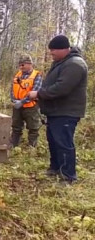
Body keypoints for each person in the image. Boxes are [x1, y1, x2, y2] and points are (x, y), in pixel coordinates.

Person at [27, 35, 88, 184]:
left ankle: (68, 176)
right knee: (53, 141)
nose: (51, 53)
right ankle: (55, 168)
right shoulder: (62, 62)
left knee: (63, 143)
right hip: (56, 111)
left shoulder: (75, 64)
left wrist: (39, 93)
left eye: (53, 50)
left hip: (66, 112)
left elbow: (62, 88)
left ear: (63, 49)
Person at [10, 54, 42, 148]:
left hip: (31, 106)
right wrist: (14, 100)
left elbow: (36, 91)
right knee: (16, 126)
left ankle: (32, 147)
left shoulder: (36, 76)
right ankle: (14, 145)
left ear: (30, 64)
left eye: (23, 64)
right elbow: (12, 89)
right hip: (17, 106)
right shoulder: (17, 75)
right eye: (20, 65)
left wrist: (22, 102)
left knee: (33, 128)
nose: (21, 67)